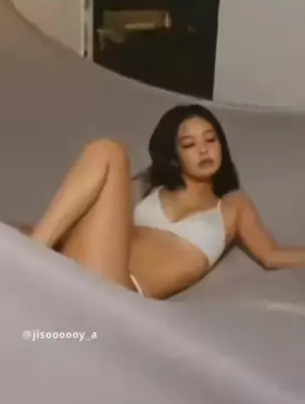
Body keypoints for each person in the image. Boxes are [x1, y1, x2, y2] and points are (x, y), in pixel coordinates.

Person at [22, 104, 305, 299]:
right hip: (87, 263)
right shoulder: (149, 186)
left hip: (121, 288)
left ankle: (25, 255)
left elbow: (272, 255)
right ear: (174, 156)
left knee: (110, 151)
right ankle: (26, 251)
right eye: (189, 145)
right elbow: (94, 215)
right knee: (107, 151)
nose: (203, 150)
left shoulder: (233, 206)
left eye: (210, 140)